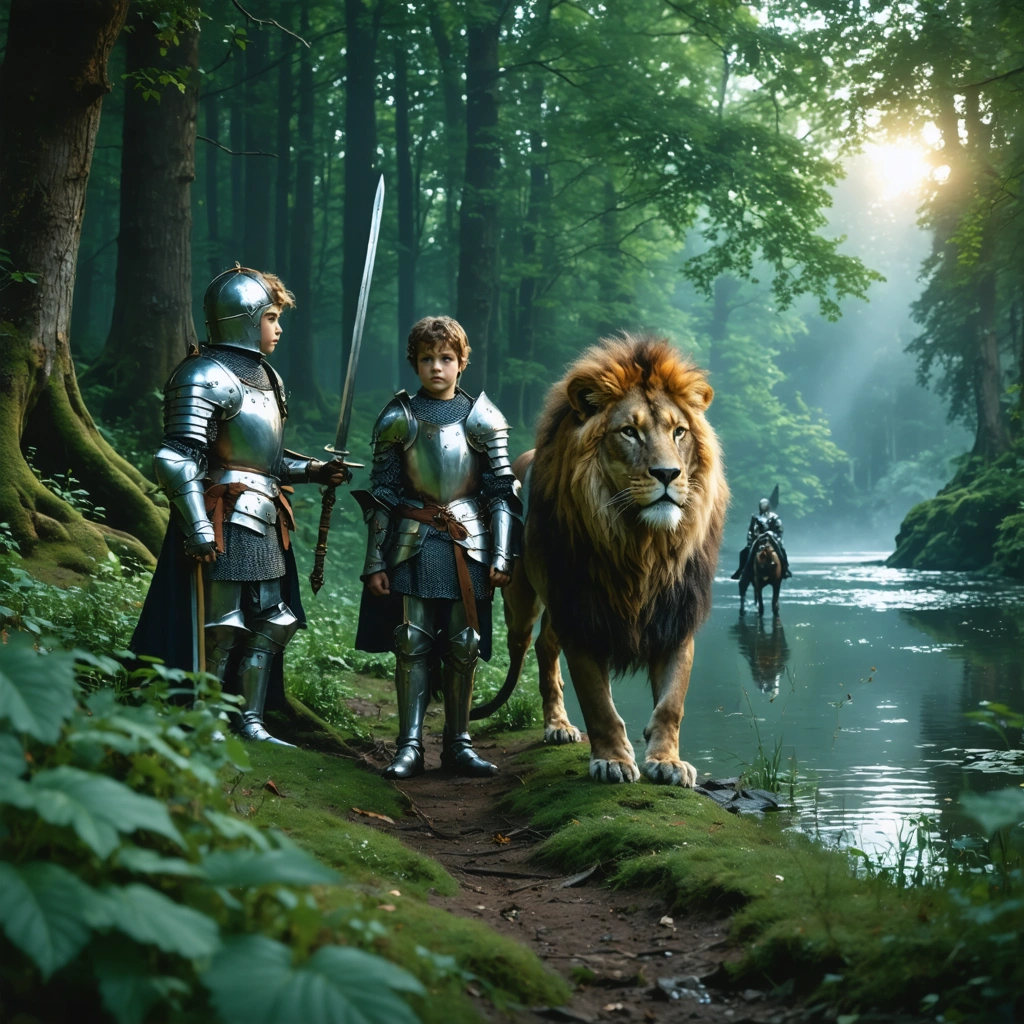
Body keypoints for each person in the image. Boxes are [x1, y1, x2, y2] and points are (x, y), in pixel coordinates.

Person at [131, 266, 350, 745]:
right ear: (245, 319)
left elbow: (265, 463)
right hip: (221, 516)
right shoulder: (204, 374)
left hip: (267, 517)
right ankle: (207, 719)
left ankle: (251, 720)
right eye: (271, 317)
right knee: (222, 627)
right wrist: (198, 528)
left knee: (273, 622)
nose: (279, 327)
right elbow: (175, 459)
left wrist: (314, 471)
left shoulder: (269, 377)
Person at [353, 316, 521, 779]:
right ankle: (408, 745)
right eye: (427, 359)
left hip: (469, 544)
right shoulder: (397, 418)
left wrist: (503, 556)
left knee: (464, 642)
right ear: (414, 363)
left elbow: (502, 493)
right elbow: (382, 494)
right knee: (411, 641)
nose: (436, 367)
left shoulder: (484, 419)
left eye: (446, 358)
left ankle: (458, 744)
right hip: (412, 541)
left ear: (462, 362)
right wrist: (374, 562)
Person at [730, 497, 791, 580]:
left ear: (768, 506)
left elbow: (779, 529)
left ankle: (785, 569)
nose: (764, 507)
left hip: (771, 538)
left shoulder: (774, 517)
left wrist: (773, 535)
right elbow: (750, 530)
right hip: (758, 538)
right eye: (762, 505)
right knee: (744, 552)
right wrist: (750, 540)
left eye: (765, 505)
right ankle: (741, 570)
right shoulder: (755, 517)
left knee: (781, 550)